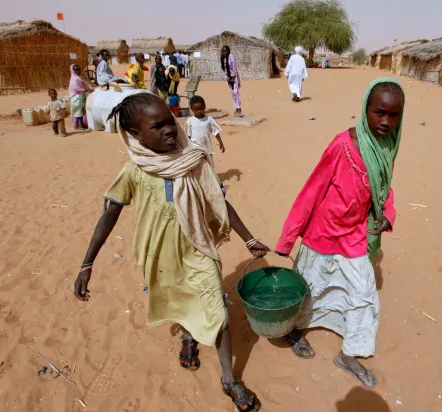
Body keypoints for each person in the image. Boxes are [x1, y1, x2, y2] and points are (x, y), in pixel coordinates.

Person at [73, 93, 266, 411]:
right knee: (179, 300)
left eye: (171, 121)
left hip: (198, 249)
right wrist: (87, 263)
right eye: (157, 125)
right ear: (136, 134)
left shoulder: (192, 160)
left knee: (217, 311)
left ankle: (229, 379)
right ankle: (189, 337)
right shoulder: (134, 171)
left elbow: (219, 201)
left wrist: (247, 238)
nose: (170, 130)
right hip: (159, 256)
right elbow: (109, 214)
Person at [274, 78, 405, 388]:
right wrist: (288, 237)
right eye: (379, 112)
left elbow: (383, 187)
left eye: (393, 115)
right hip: (323, 232)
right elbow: (312, 190)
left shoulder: (387, 145)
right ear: (365, 110)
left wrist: (388, 214)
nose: (385, 121)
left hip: (355, 235)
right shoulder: (342, 145)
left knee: (362, 292)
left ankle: (349, 354)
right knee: (309, 286)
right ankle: (293, 330)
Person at [186, 95, 225, 165]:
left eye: (201, 108)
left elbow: (215, 131)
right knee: (198, 166)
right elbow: (188, 135)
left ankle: (210, 176)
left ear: (204, 107)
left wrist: (221, 142)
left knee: (209, 165)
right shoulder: (190, 121)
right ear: (192, 109)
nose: (199, 111)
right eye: (196, 109)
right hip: (195, 148)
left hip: (207, 147)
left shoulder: (209, 119)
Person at [69, 64, 95, 130]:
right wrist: (85, 89)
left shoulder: (79, 77)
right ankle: (76, 125)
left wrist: (90, 88)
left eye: (78, 69)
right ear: (73, 70)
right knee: (78, 112)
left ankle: (82, 124)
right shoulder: (74, 79)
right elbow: (75, 88)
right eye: (76, 70)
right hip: (76, 97)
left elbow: (84, 84)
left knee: (81, 111)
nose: (78, 71)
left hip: (81, 96)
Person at [221, 46, 243, 118]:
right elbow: (225, 69)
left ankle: (239, 109)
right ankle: (237, 108)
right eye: (223, 51)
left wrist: (233, 77)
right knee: (233, 93)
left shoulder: (231, 57)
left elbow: (234, 67)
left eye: (226, 51)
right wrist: (228, 77)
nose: (225, 52)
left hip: (234, 77)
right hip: (229, 78)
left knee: (236, 92)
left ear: (228, 51)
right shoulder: (223, 58)